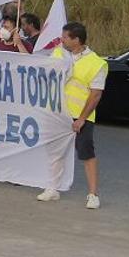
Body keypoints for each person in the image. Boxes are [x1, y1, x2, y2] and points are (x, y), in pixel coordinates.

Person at [38, 22, 106, 209]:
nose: (62, 39)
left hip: (80, 115)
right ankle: (52, 187)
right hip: (58, 112)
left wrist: (82, 118)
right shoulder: (58, 53)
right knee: (55, 151)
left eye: (65, 37)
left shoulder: (96, 63)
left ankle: (93, 194)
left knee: (86, 152)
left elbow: (96, 94)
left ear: (76, 40)